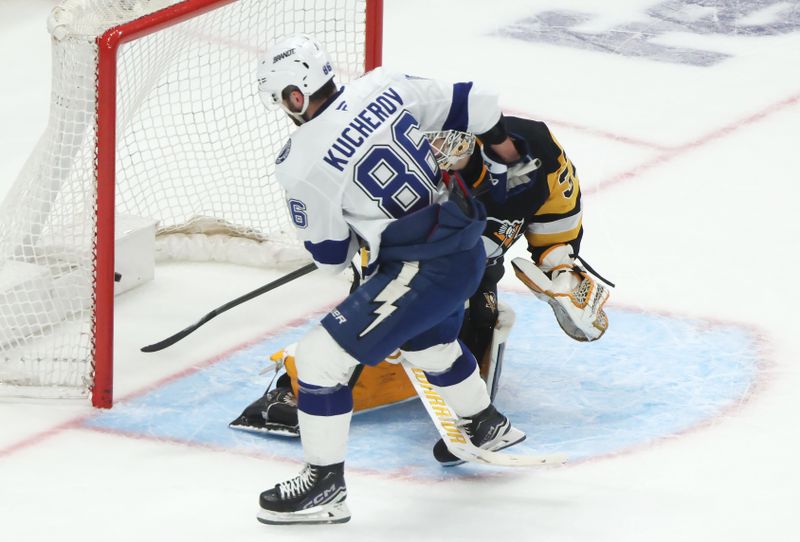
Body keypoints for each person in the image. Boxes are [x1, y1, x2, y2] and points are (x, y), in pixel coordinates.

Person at [252, 34, 531, 526]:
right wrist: (505, 151)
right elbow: (479, 102)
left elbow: (330, 258)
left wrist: (358, 231)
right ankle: (486, 425)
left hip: (423, 267)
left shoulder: (300, 163)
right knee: (429, 344)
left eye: (282, 101)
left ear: (296, 96)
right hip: (466, 243)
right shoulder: (384, 86)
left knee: (317, 360)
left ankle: (324, 486)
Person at [231, 115, 613, 466]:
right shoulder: (412, 173)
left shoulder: (537, 147)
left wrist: (563, 276)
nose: (443, 160)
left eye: (454, 151)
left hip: (476, 272)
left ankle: (480, 416)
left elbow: (555, 227)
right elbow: (380, 249)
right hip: (413, 270)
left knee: (474, 341)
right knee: (376, 344)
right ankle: (293, 386)